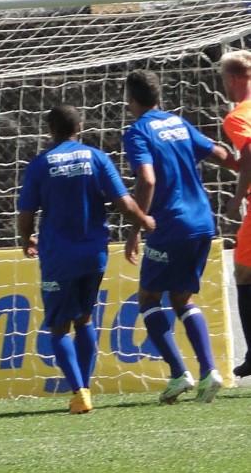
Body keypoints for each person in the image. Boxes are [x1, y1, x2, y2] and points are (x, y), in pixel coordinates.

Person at [17, 104, 155, 414]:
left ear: (50, 130)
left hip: (58, 256)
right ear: (79, 127)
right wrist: (143, 221)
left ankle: (79, 391)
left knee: (58, 327)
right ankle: (86, 387)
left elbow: (26, 214)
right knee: (85, 319)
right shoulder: (97, 158)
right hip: (94, 254)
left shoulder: (40, 164)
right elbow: (124, 201)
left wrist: (25, 239)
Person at [123, 70, 237, 404]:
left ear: (131, 99)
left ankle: (178, 374)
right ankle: (209, 372)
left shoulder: (137, 132)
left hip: (170, 225)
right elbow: (216, 152)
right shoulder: (177, 123)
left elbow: (147, 179)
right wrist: (242, 170)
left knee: (147, 298)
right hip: (202, 221)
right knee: (182, 299)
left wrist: (137, 226)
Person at [220, 50, 251, 377]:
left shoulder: (237, 116)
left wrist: (237, 196)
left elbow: (250, 154)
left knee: (243, 273)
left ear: (230, 80)